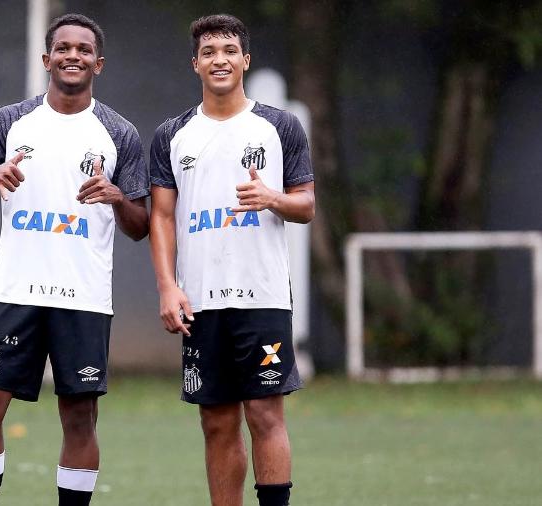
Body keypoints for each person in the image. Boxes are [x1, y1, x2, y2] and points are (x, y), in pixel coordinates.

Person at [0, 13, 149, 506]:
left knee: (79, 416)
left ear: (98, 63)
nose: (73, 56)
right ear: (47, 59)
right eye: (63, 48)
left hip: (82, 298)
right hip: (17, 292)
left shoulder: (119, 132)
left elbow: (141, 226)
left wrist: (116, 197)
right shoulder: (9, 121)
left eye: (84, 49)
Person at [148, 14, 315, 506]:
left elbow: (306, 205)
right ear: (195, 64)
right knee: (216, 420)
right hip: (201, 300)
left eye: (228, 50)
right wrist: (166, 286)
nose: (219, 59)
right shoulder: (173, 134)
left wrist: (273, 198)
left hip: (261, 296)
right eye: (208, 52)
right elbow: (161, 216)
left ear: (245, 59)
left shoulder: (279, 126)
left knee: (265, 414)